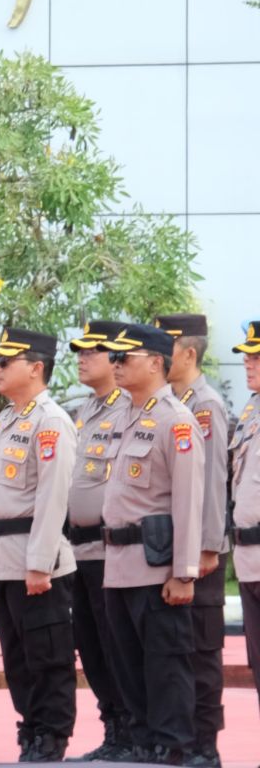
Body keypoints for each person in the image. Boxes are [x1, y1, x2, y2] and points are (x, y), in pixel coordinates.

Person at [97, 323, 204, 765]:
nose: (116, 365)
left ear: (157, 362)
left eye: (125, 358)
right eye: (115, 359)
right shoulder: (123, 416)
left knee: (165, 665)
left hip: (156, 564)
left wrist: (183, 573)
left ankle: (171, 746)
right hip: (119, 563)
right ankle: (143, 743)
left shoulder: (176, 421)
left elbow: (189, 501)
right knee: (127, 665)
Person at [0, 327, 77, 762]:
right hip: (2, 559)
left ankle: (50, 737)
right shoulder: (5, 418)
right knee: (17, 657)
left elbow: (52, 497)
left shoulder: (50, 421)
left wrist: (39, 563)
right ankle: (31, 728)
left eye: (5, 362)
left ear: (36, 368)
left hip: (33, 561)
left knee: (47, 655)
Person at [155, 313, 230, 768]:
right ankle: (181, 740)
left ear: (188, 352)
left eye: (167, 345)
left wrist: (205, 545)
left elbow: (213, 481)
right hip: (173, 549)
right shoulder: (170, 402)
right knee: (178, 649)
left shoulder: (205, 405)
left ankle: (205, 743)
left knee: (201, 650)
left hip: (201, 553)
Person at [64, 320, 133, 762]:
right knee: (89, 645)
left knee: (117, 645)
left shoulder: (128, 408)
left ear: (116, 359)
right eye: (80, 351)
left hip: (112, 551)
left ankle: (132, 728)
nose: (82, 358)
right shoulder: (84, 410)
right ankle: (113, 727)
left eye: (93, 351)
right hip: (78, 550)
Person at [227, 321, 260, 732]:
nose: (249, 364)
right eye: (248, 357)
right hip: (250, 560)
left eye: (257, 356)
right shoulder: (252, 410)